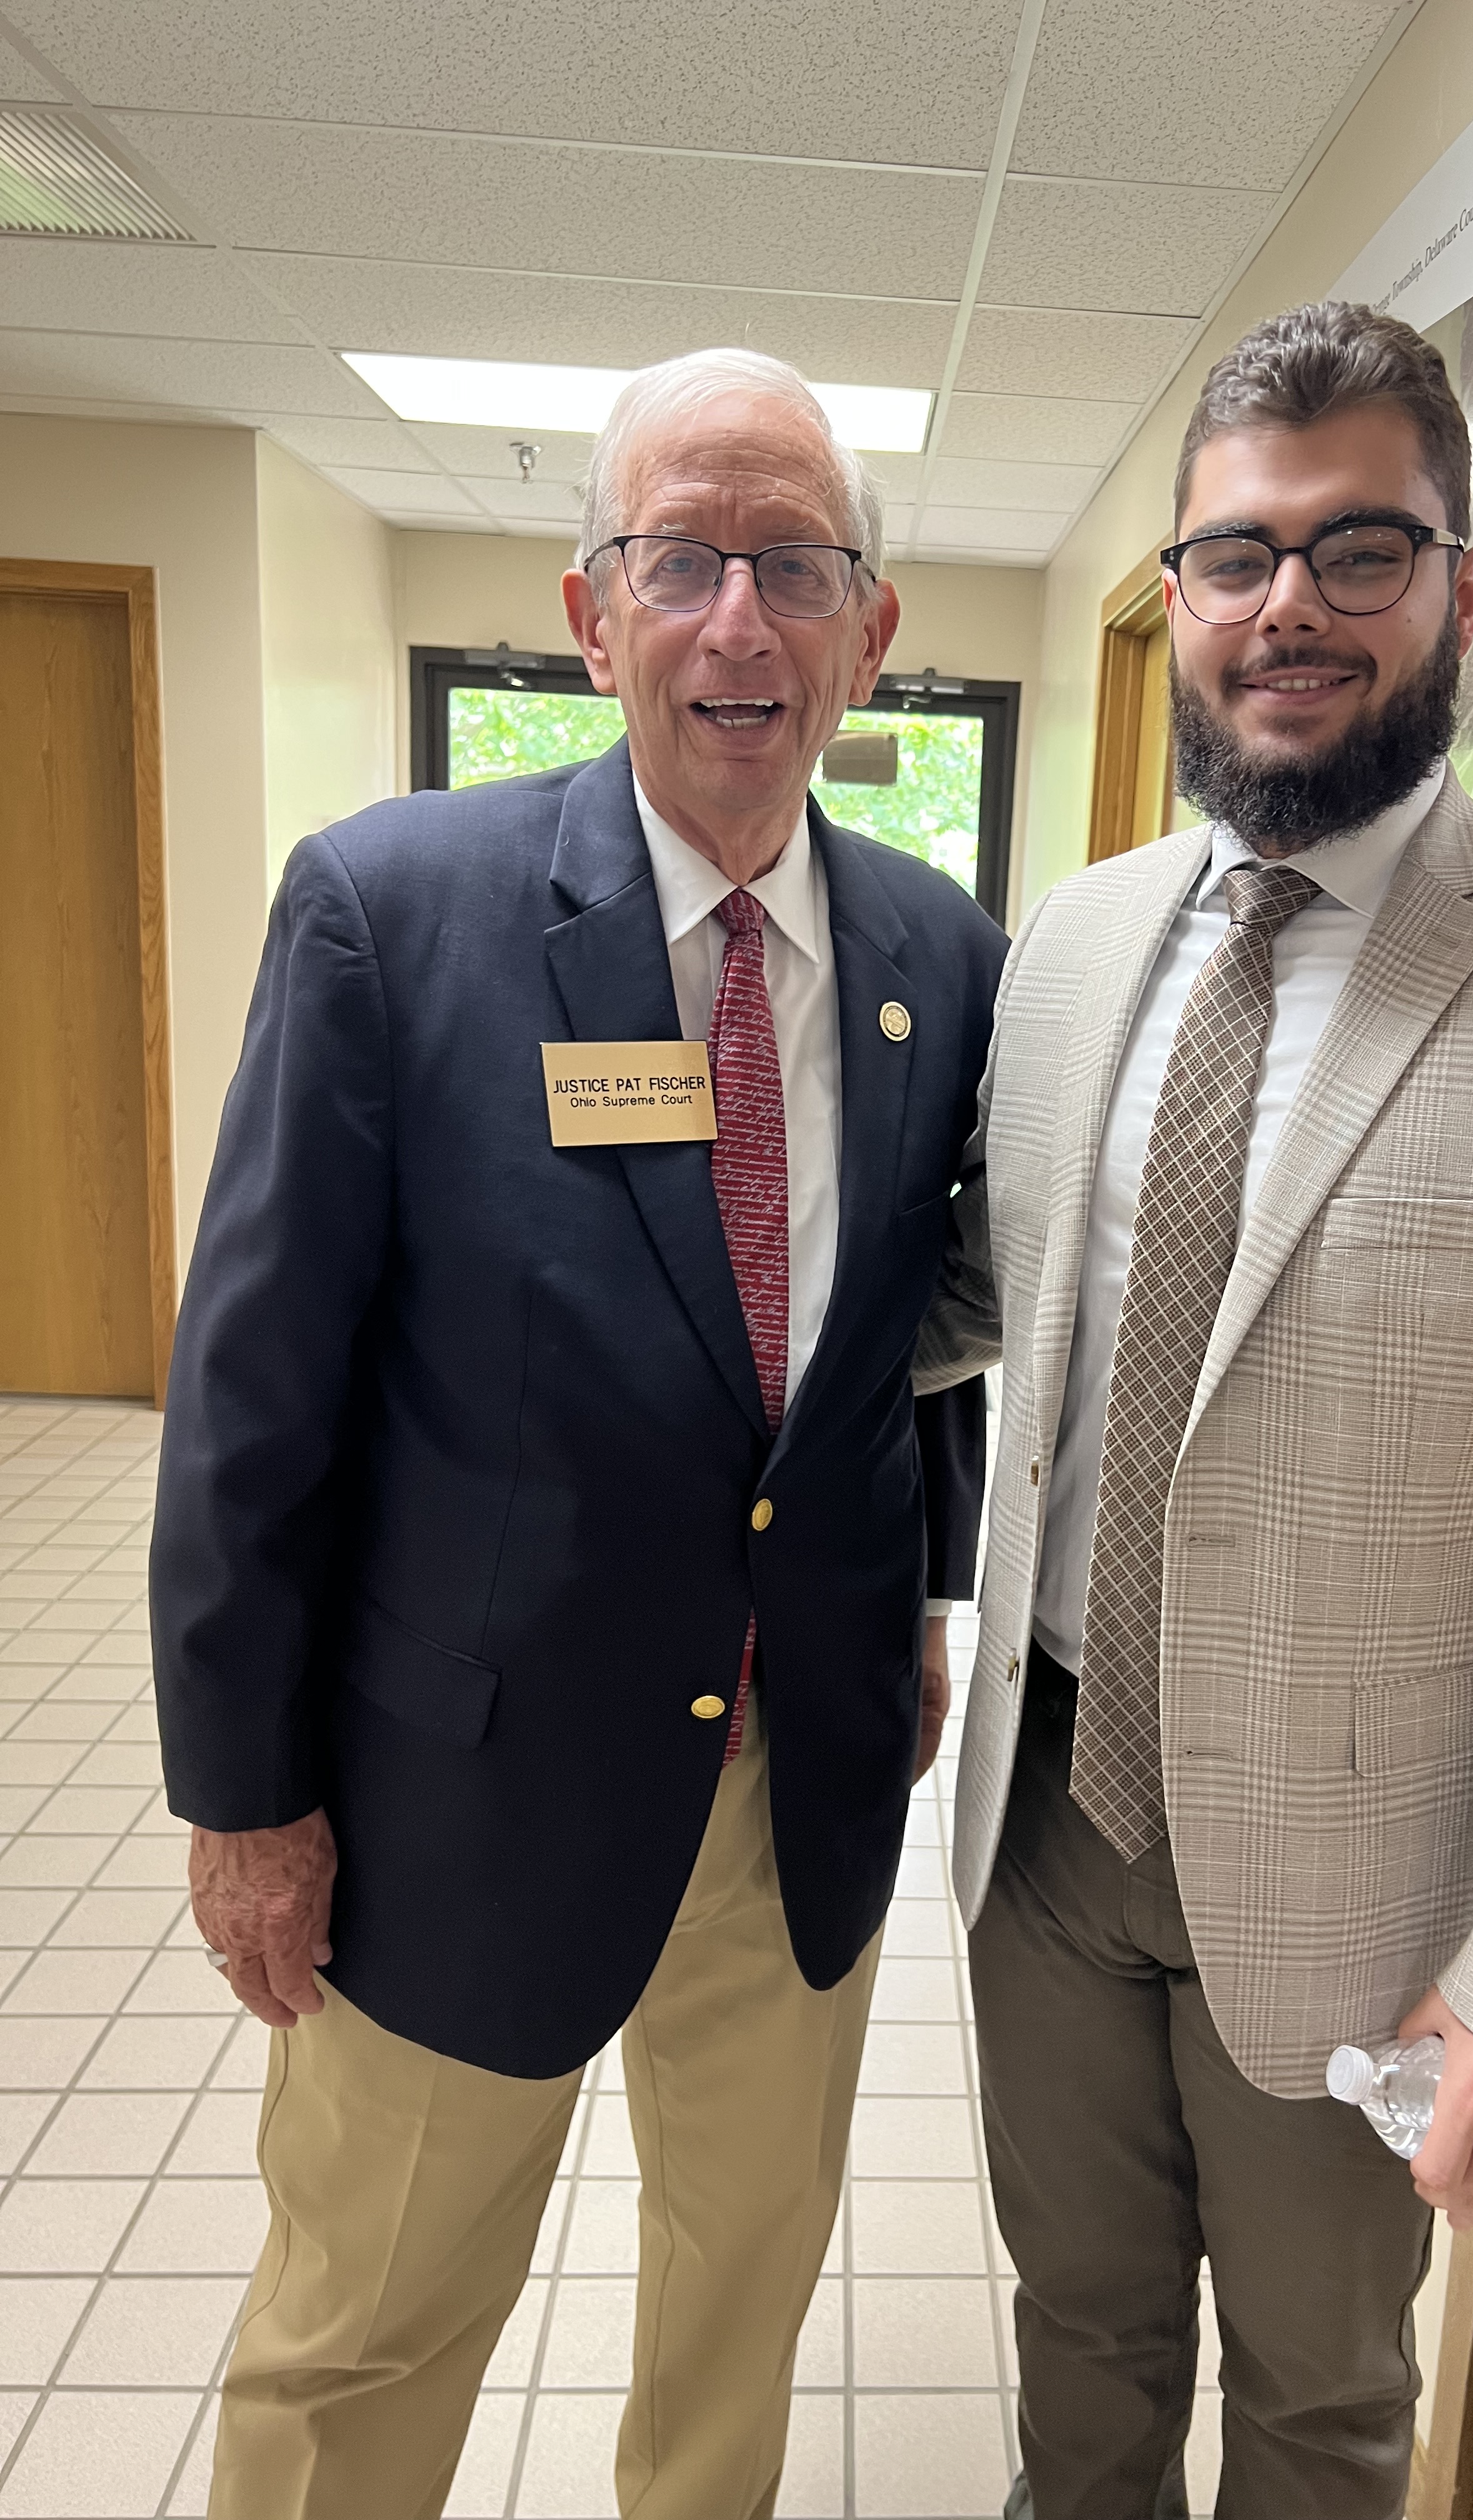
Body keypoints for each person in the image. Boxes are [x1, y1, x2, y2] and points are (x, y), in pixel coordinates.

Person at [917, 300, 1473, 2519]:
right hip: (1049, 1824)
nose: (1286, 604)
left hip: (1367, 1884)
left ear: (1461, 586)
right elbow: (979, 1299)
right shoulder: (1078, 941)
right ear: (1186, 591)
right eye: (1237, 554)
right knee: (1077, 2328)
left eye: (1358, 548)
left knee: (1318, 2403)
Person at [150, 346, 1007, 2520]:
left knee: (739, 2312)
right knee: (362, 2337)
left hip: (796, 1785)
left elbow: (917, 1324)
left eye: (797, 566)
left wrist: (919, 1600)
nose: (740, 620)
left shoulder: (939, 950)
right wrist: (245, 1799)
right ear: (589, 610)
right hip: (467, 1792)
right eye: (681, 560)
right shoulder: (392, 913)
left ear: (872, 629)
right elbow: (255, 1395)